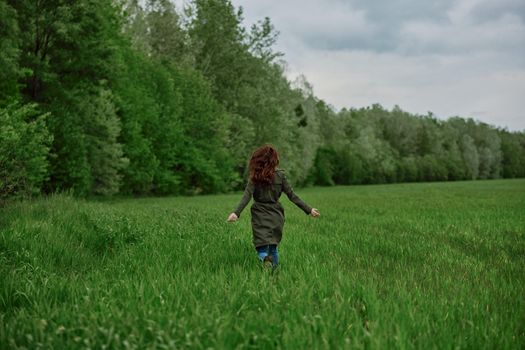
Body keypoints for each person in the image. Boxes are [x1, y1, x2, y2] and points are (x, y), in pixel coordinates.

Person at [227, 144, 320, 268]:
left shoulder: (254, 177)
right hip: (276, 215)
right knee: (273, 247)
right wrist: (309, 210)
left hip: (260, 214)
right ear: (274, 160)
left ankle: (265, 259)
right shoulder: (280, 176)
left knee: (261, 247)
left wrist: (236, 213)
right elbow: (292, 196)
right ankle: (274, 273)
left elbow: (246, 196)